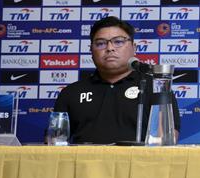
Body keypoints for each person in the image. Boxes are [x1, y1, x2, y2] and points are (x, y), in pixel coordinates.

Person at [53, 16, 180, 144]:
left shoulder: (156, 88)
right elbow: (54, 141)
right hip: (86, 163)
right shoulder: (71, 93)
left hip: (138, 163)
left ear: (134, 48)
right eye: (101, 43)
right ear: (91, 50)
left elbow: (166, 141)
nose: (110, 48)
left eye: (118, 41)